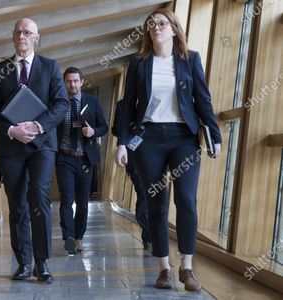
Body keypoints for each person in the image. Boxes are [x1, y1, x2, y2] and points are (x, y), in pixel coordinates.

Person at [114, 9, 222, 292]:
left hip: (183, 138)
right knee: (156, 204)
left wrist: (215, 134)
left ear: (174, 29)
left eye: (161, 23)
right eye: (150, 24)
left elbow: (203, 100)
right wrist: (122, 142)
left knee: (186, 200)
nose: (155, 27)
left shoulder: (190, 60)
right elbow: (128, 106)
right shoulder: (138, 64)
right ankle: (164, 269)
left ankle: (187, 266)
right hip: (148, 139)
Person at [0, 18, 68, 283]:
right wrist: (12, 130)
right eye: (18, 32)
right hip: (11, 147)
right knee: (17, 204)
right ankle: (23, 262)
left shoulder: (50, 67)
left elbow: (61, 103)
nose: (22, 36)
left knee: (39, 197)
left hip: (42, 145)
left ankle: (41, 263)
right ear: (13, 37)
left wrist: (37, 125)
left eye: (27, 32)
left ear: (36, 37)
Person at [56, 67, 108, 255]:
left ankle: (79, 237)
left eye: (76, 81)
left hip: (85, 159)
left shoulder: (92, 102)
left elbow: (104, 126)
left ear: (82, 82)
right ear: (65, 83)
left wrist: (93, 131)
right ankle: (68, 237)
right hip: (65, 158)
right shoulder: (59, 102)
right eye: (69, 81)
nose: (73, 85)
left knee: (83, 202)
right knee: (66, 200)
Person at [112, 99, 151, 251]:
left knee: (155, 193)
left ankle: (153, 234)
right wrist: (128, 129)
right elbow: (116, 130)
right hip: (133, 154)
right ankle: (148, 235)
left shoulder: (152, 100)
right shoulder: (122, 105)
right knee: (143, 192)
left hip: (155, 152)